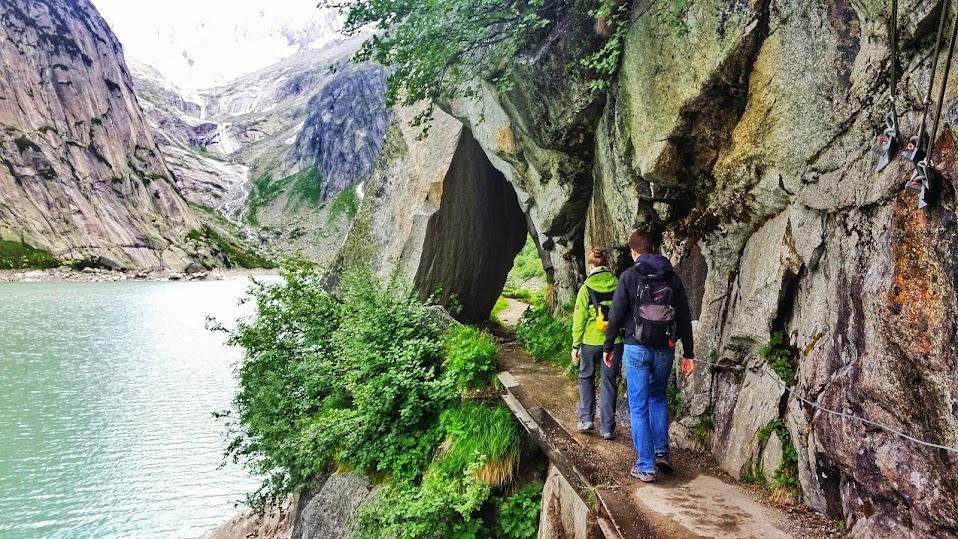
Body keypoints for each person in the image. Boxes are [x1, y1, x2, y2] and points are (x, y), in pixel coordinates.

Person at [603, 230, 695, 483]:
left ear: (634, 252)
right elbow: (684, 316)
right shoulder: (671, 277)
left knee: (638, 405)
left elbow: (616, 314)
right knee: (657, 396)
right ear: (653, 248)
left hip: (636, 347)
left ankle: (645, 466)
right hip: (665, 347)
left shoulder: (629, 276)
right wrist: (688, 353)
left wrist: (608, 346)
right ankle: (661, 453)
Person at [571, 248, 623, 440]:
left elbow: (579, 319)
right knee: (609, 381)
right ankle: (608, 428)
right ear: (606, 264)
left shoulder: (586, 288)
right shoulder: (618, 284)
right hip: (614, 341)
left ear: (590, 266)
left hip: (590, 342)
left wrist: (576, 345)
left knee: (586, 377)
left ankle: (586, 419)